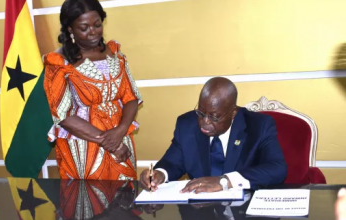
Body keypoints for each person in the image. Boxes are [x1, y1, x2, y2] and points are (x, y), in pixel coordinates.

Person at [43, 0, 142, 180]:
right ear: (70, 29)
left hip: (121, 137)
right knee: (90, 202)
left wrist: (120, 131)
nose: (93, 32)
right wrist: (111, 143)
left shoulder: (115, 53)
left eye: (97, 25)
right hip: (84, 145)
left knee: (124, 200)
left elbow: (131, 97)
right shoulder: (59, 62)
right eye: (84, 27)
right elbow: (63, 115)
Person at [140, 77, 287, 192]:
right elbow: (172, 162)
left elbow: (277, 168)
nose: (204, 122)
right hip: (200, 211)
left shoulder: (258, 126)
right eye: (201, 113)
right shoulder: (187, 124)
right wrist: (158, 174)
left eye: (214, 117)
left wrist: (225, 181)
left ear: (233, 113)